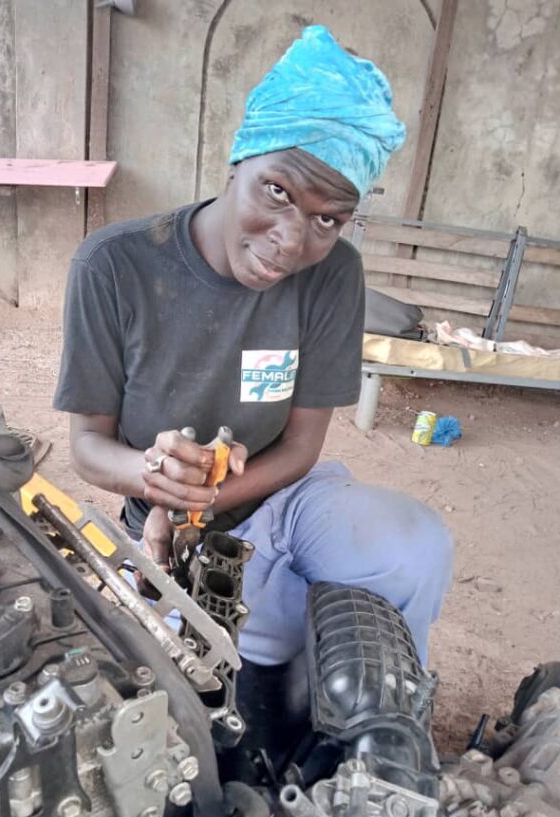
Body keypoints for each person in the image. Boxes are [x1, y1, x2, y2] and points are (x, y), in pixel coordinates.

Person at [54, 25, 453, 674]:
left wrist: (208, 495)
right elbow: (86, 447)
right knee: (194, 672)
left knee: (415, 549)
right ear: (242, 156)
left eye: (328, 218)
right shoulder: (114, 267)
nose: (291, 241)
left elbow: (301, 447)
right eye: (279, 191)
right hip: (161, 533)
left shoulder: (332, 277)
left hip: (286, 502)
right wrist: (161, 483)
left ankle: (387, 721)